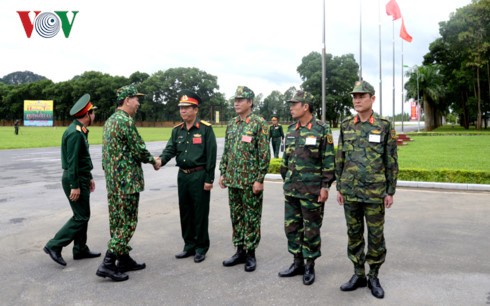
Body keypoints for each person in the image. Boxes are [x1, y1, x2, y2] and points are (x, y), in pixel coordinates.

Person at [336, 80, 398, 299]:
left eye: (362, 96)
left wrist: (390, 190)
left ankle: (373, 275)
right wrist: (340, 186)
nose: (357, 100)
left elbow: (390, 159)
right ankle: (358, 273)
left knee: (375, 236)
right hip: (351, 191)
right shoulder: (346, 124)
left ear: (372, 98)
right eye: (354, 96)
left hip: (375, 192)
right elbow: (340, 157)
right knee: (354, 235)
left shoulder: (384, 125)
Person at [96, 85, 161, 282]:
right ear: (126, 100)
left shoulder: (110, 121)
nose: (138, 103)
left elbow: (106, 153)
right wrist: (154, 161)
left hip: (114, 181)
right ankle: (108, 263)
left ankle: (123, 258)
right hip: (127, 182)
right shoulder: (125, 121)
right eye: (136, 99)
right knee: (127, 222)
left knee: (117, 221)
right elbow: (139, 149)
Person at [278, 90, 335, 285]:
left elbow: (328, 160)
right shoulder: (291, 129)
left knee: (311, 229)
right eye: (291, 104)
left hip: (312, 191)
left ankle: (310, 264)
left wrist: (325, 186)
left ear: (305, 106)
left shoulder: (321, 129)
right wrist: (286, 178)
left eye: (295, 104)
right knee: (292, 228)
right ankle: (297, 262)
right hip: (292, 189)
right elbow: (285, 158)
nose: (291, 107)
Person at [159, 90, 217, 263]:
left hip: (199, 175)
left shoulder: (205, 129)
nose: (183, 111)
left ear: (195, 109)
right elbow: (170, 149)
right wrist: (160, 161)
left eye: (186, 108)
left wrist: (209, 179)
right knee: (185, 212)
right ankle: (188, 245)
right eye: (181, 108)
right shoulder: (177, 130)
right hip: (183, 176)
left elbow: (211, 156)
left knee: (199, 213)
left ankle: (201, 247)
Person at [44, 94, 101, 266]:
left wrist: (89, 177)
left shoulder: (80, 130)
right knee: (81, 217)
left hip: (81, 177)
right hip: (74, 179)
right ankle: (54, 245)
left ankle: (80, 249)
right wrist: (75, 186)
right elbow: (73, 162)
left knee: (82, 214)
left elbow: (83, 159)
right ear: (87, 114)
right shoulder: (75, 134)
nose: (95, 115)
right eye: (93, 112)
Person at [219, 86, 270, 272]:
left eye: (240, 100)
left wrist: (259, 179)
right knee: (236, 217)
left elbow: (264, 154)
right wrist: (223, 171)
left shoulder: (258, 123)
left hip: (250, 181)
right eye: (235, 100)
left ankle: (250, 253)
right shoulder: (232, 123)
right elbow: (227, 150)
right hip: (233, 179)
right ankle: (239, 250)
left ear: (250, 102)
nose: (236, 103)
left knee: (252, 217)